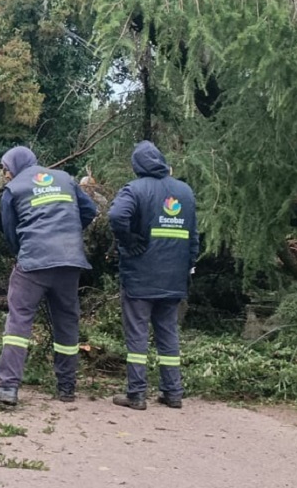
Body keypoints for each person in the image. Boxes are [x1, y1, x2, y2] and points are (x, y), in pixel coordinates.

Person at [0, 147, 97, 406]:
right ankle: (67, 388)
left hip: (34, 262)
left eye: (6, 169)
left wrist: (26, 252)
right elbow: (89, 210)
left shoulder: (14, 188)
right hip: (70, 261)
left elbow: (10, 231)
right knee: (67, 322)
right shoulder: (65, 178)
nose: (5, 175)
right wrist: (69, 234)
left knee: (19, 321)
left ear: (14, 167)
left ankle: (8, 387)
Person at [108, 141, 198, 410]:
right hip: (173, 278)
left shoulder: (134, 190)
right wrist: (187, 267)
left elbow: (115, 216)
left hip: (140, 276)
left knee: (137, 335)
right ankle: (173, 393)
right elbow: (193, 237)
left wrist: (127, 239)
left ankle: (136, 394)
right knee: (168, 333)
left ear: (137, 166)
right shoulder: (185, 192)